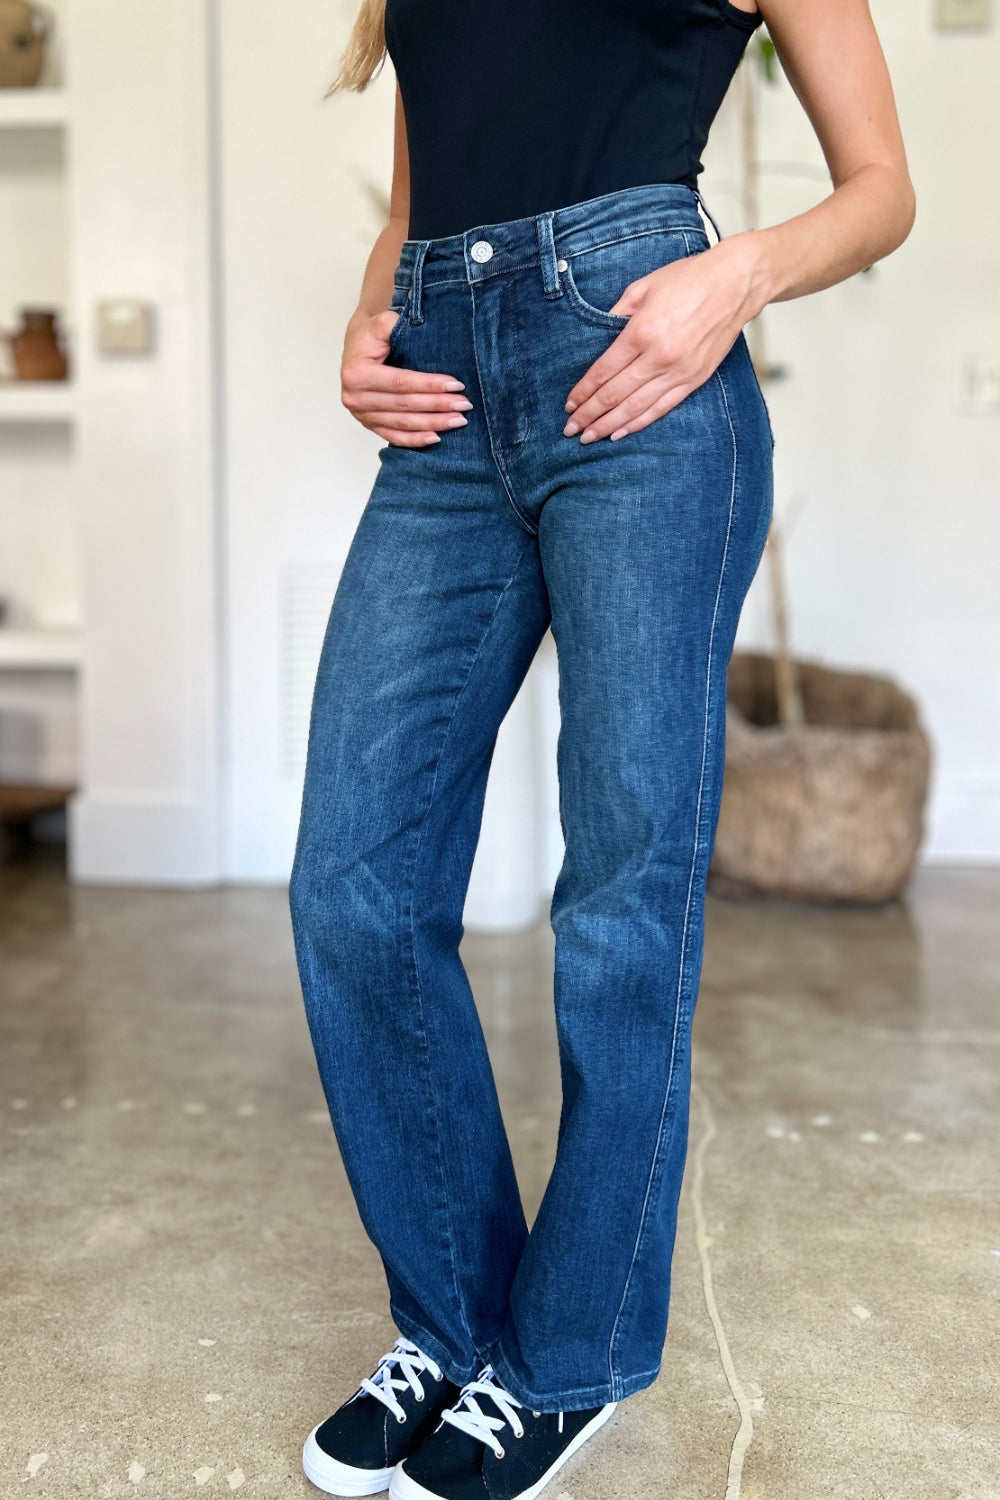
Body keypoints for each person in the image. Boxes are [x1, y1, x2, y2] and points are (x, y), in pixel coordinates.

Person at [288, 1, 915, 1495]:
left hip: (644, 373)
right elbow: (425, 194)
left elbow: (884, 187)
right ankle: (450, 1323)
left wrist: (733, 283)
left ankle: (566, 1356)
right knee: (352, 887)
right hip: (447, 401)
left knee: (622, 903)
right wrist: (368, 327)